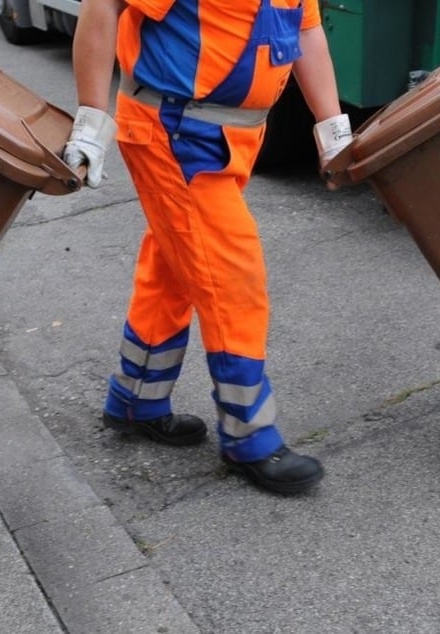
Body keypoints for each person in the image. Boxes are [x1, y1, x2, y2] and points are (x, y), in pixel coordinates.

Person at [63, 0, 351, 494]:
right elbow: (104, 5)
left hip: (228, 138)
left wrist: (333, 133)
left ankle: (136, 400)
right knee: (232, 276)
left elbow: (307, 34)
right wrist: (91, 120)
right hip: (176, 134)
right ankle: (250, 435)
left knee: (176, 265)